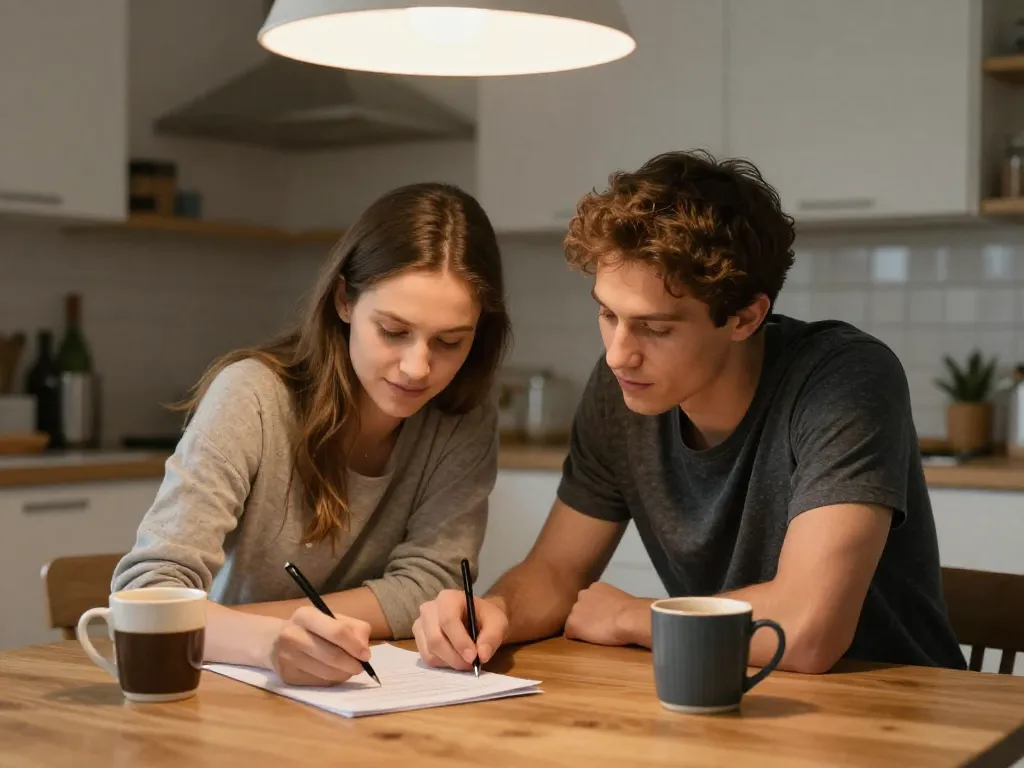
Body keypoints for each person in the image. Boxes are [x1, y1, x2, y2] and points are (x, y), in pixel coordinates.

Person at [413, 150, 967, 674]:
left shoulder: (843, 379)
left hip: (889, 709)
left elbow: (808, 630)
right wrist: (494, 612)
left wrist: (633, 616)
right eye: (608, 314)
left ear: (746, 318)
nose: (618, 353)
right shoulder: (621, 391)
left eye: (655, 328)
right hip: (724, 690)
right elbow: (556, 572)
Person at [112, 181, 511, 686]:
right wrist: (271, 641)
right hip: (235, 685)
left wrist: (300, 627)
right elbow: (148, 593)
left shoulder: (463, 418)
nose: (417, 368)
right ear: (344, 299)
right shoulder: (252, 397)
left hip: (376, 699)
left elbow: (430, 585)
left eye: (450, 342)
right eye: (392, 331)